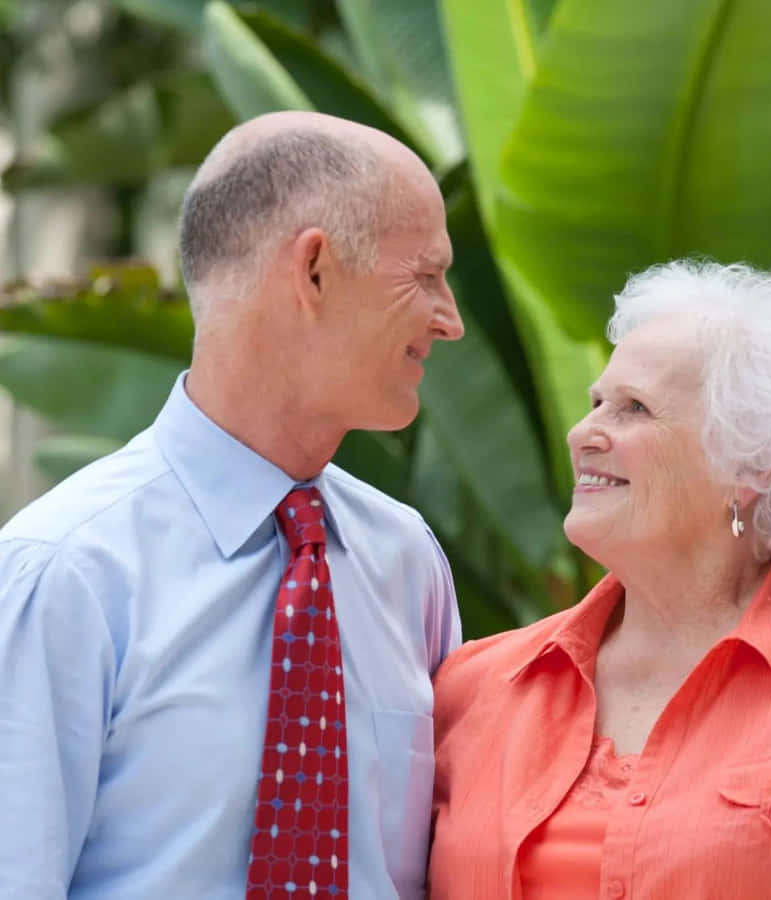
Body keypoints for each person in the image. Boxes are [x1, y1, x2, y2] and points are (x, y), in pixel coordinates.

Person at [0, 111, 464, 900]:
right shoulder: (65, 572)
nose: (450, 319)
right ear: (314, 269)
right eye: (424, 276)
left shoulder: (407, 562)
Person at [428, 260, 771, 899]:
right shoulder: (474, 687)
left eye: (634, 409)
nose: (583, 432)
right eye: (598, 402)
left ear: (750, 466)